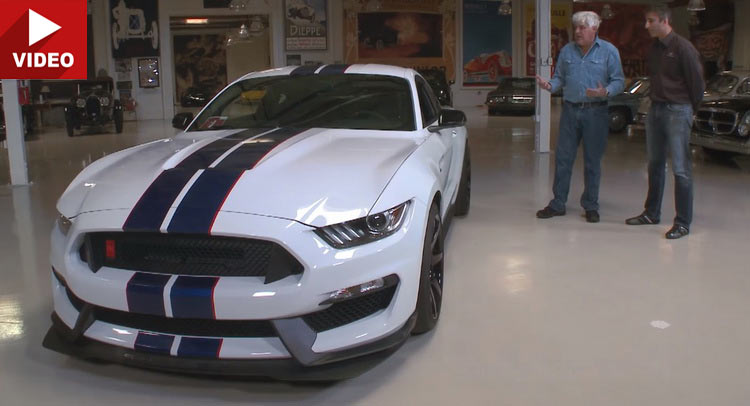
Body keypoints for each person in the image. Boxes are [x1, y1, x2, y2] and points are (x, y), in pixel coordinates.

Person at [535, 11, 625, 223]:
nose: (577, 31)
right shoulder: (567, 51)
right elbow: (559, 78)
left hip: (596, 112)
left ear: (594, 29)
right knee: (563, 159)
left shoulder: (608, 52)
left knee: (592, 161)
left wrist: (606, 92)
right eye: (575, 27)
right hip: (570, 111)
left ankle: (591, 205)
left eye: (582, 27)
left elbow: (619, 81)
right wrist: (549, 85)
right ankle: (558, 204)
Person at [625, 5, 704, 239]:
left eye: (651, 21)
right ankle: (651, 213)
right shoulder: (655, 49)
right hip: (656, 109)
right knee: (655, 164)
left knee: (681, 168)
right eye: (646, 21)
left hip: (678, 111)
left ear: (665, 21)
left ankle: (682, 222)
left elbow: (697, 84)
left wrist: (690, 110)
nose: (646, 26)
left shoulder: (683, 48)